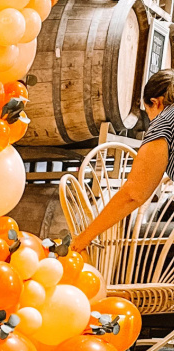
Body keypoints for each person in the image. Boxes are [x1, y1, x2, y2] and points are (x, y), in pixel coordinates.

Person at [71, 70, 174, 256]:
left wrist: (84, 237)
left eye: (148, 112)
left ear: (155, 102)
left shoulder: (163, 123)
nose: (150, 119)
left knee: (143, 251)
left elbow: (133, 194)